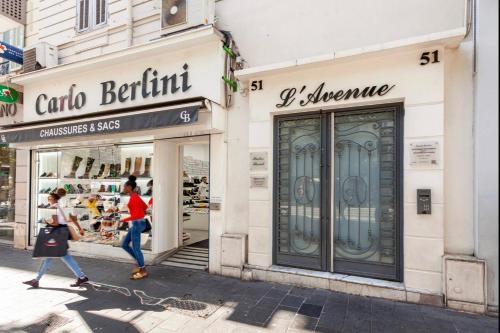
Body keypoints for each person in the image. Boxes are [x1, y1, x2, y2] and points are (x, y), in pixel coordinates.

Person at [23, 188, 88, 288]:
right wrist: (80, 229)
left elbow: (55, 223)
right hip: (63, 232)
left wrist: (46, 220)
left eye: (50, 198)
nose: (49, 200)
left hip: (56, 233)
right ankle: (81, 277)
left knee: (50, 257)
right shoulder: (64, 206)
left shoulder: (54, 208)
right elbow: (73, 219)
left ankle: (36, 280)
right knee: (63, 256)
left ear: (55, 198)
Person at [121, 175, 149, 279]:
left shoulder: (134, 198)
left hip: (137, 224)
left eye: (124, 186)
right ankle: (139, 263)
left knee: (136, 248)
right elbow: (145, 207)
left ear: (129, 187)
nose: (123, 188)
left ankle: (143, 270)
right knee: (124, 244)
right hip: (138, 223)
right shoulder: (135, 196)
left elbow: (137, 215)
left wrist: (123, 220)